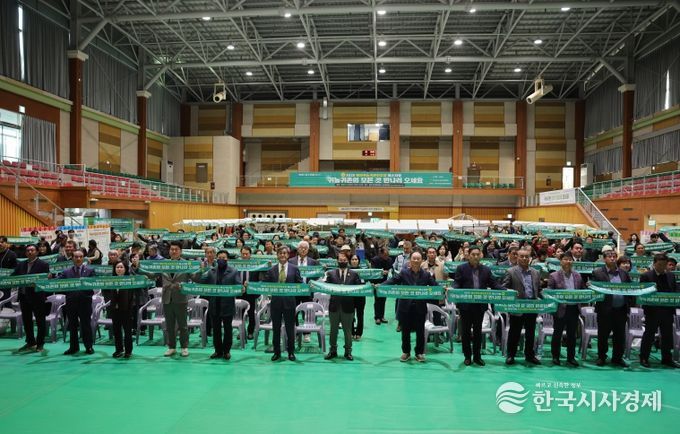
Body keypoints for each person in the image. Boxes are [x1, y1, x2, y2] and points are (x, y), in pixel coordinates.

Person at [143, 241, 201, 357]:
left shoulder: (186, 264)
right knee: (169, 325)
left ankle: (184, 347)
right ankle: (172, 347)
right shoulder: (164, 264)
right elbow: (153, 275)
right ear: (169, 251)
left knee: (183, 325)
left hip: (181, 298)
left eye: (176, 249)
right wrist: (139, 268)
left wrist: (200, 270)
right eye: (172, 249)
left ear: (180, 251)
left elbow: (195, 278)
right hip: (167, 298)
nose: (174, 251)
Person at [451, 245, 502, 366]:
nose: (475, 257)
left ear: (480, 256)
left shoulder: (486, 270)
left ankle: (477, 357)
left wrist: (506, 290)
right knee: (466, 332)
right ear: (468, 256)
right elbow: (457, 283)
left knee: (478, 332)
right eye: (473, 254)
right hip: (465, 306)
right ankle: (467, 356)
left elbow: (494, 284)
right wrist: (452, 289)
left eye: (477, 254)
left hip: (479, 306)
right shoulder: (461, 268)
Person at [384, 251, 437, 363]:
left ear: (422, 260)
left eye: (418, 259)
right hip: (405, 307)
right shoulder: (404, 273)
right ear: (410, 260)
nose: (416, 261)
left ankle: (419, 353)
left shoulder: (426, 274)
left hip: (420, 307)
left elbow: (435, 286)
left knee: (420, 332)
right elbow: (393, 280)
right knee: (405, 332)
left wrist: (444, 289)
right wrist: (381, 286)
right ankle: (406, 352)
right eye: (414, 258)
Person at [590, 249, 633, 368]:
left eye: (614, 256)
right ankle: (602, 357)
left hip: (621, 310)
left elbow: (630, 289)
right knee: (603, 335)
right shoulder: (597, 272)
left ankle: (617, 358)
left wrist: (629, 304)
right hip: (605, 310)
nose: (612, 258)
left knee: (620, 336)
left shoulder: (624, 273)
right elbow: (593, 289)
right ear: (604, 259)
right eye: (609, 256)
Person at [501, 247, 542, 365]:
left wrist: (544, 297)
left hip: (532, 307)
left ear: (530, 258)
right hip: (517, 307)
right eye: (522, 256)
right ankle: (511, 355)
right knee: (514, 332)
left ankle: (529, 355)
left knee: (530, 333)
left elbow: (538, 290)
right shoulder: (510, 271)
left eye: (526, 257)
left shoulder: (535, 272)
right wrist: (512, 294)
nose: (524, 258)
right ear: (517, 257)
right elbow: (504, 287)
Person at [639, 253, 680, 368]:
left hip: (667, 311)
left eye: (664, 265)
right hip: (652, 312)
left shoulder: (671, 276)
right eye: (660, 264)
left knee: (667, 336)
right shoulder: (646, 276)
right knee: (649, 335)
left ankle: (667, 358)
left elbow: (674, 292)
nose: (662, 267)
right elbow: (642, 294)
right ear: (654, 264)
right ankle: (644, 357)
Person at [201, 250, 242, 360]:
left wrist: (242, 288)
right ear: (216, 258)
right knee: (216, 330)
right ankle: (218, 351)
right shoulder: (211, 271)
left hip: (227, 305)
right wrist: (202, 270)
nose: (221, 259)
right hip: (214, 305)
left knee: (228, 330)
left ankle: (226, 351)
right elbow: (202, 281)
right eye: (219, 257)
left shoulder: (233, 271)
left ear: (227, 259)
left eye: (223, 258)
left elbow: (238, 286)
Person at [546, 251, 585, 367]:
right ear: (561, 262)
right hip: (560, 309)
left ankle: (571, 357)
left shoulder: (578, 275)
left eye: (570, 259)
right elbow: (549, 292)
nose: (568, 261)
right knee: (557, 334)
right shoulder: (554, 276)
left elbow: (582, 290)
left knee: (572, 335)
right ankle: (555, 356)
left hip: (574, 309)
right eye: (565, 259)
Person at [264, 246, 302, 361]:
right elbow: (264, 284)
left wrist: (307, 286)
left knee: (290, 329)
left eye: (284, 253)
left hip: (290, 303)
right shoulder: (271, 270)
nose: (282, 255)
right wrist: (250, 285)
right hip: (275, 303)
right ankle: (277, 352)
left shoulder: (294, 269)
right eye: (280, 253)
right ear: (277, 255)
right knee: (276, 329)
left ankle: (291, 352)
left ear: (288, 255)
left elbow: (299, 283)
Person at [12, 244, 50, 352]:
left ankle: (40, 344)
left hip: (37, 297)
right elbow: (13, 277)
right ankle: (30, 342)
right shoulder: (21, 264)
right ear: (25, 253)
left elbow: (46, 280)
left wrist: (47, 278)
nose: (29, 252)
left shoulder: (43, 264)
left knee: (40, 321)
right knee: (27, 321)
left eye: (32, 250)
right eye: (28, 250)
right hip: (24, 297)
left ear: (37, 252)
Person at [324, 252, 361, 361]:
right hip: (334, 306)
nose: (342, 261)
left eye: (344, 260)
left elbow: (359, 288)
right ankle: (333, 350)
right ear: (337, 261)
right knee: (333, 330)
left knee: (347, 330)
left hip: (348, 307)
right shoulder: (331, 274)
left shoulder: (354, 274)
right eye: (340, 260)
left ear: (347, 261)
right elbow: (324, 287)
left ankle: (348, 352)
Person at [60, 250, 95, 355]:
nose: (78, 259)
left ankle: (89, 347)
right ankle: (73, 347)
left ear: (83, 258)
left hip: (85, 302)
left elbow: (94, 283)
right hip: (71, 302)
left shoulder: (90, 271)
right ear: (72, 258)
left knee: (86, 325)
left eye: (80, 257)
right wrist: (49, 278)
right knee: (72, 326)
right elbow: (58, 282)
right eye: (76, 257)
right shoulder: (66, 272)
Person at [104, 262, 135, 358]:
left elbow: (132, 296)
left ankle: (128, 351)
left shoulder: (130, 280)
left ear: (125, 269)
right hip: (115, 310)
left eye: (121, 267)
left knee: (127, 332)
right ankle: (119, 350)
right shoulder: (111, 280)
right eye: (117, 267)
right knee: (116, 331)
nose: (119, 269)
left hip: (126, 310)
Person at [290, 240, 318, 343]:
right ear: (297, 249)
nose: (303, 250)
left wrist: (312, 282)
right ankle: (296, 332)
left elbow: (316, 275)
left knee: (307, 312)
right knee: (294, 312)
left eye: (305, 248)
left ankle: (307, 333)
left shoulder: (313, 262)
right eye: (301, 248)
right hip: (295, 291)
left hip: (308, 291)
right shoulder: (291, 261)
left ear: (308, 250)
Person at [238, 246, 262, 340]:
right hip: (239, 292)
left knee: (251, 313)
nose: (244, 256)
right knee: (239, 314)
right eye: (243, 254)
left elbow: (260, 280)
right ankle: (241, 331)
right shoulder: (236, 264)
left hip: (251, 293)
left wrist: (251, 284)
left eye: (246, 254)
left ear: (250, 254)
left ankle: (250, 332)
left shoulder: (255, 265)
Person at [370, 246, 392, 325]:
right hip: (376, 283)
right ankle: (377, 317)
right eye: (385, 255)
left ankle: (382, 316)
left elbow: (391, 270)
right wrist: (381, 272)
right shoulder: (374, 260)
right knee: (377, 300)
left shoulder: (389, 260)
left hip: (386, 282)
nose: (387, 257)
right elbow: (372, 271)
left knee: (383, 300)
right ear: (381, 254)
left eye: (388, 255)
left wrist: (389, 272)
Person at [349, 254, 366, 340]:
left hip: (360, 296)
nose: (354, 261)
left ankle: (359, 333)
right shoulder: (347, 271)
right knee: (350, 315)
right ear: (350, 261)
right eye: (353, 259)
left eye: (356, 259)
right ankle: (351, 332)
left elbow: (368, 281)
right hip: (350, 297)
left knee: (360, 315)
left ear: (359, 261)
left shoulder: (364, 271)